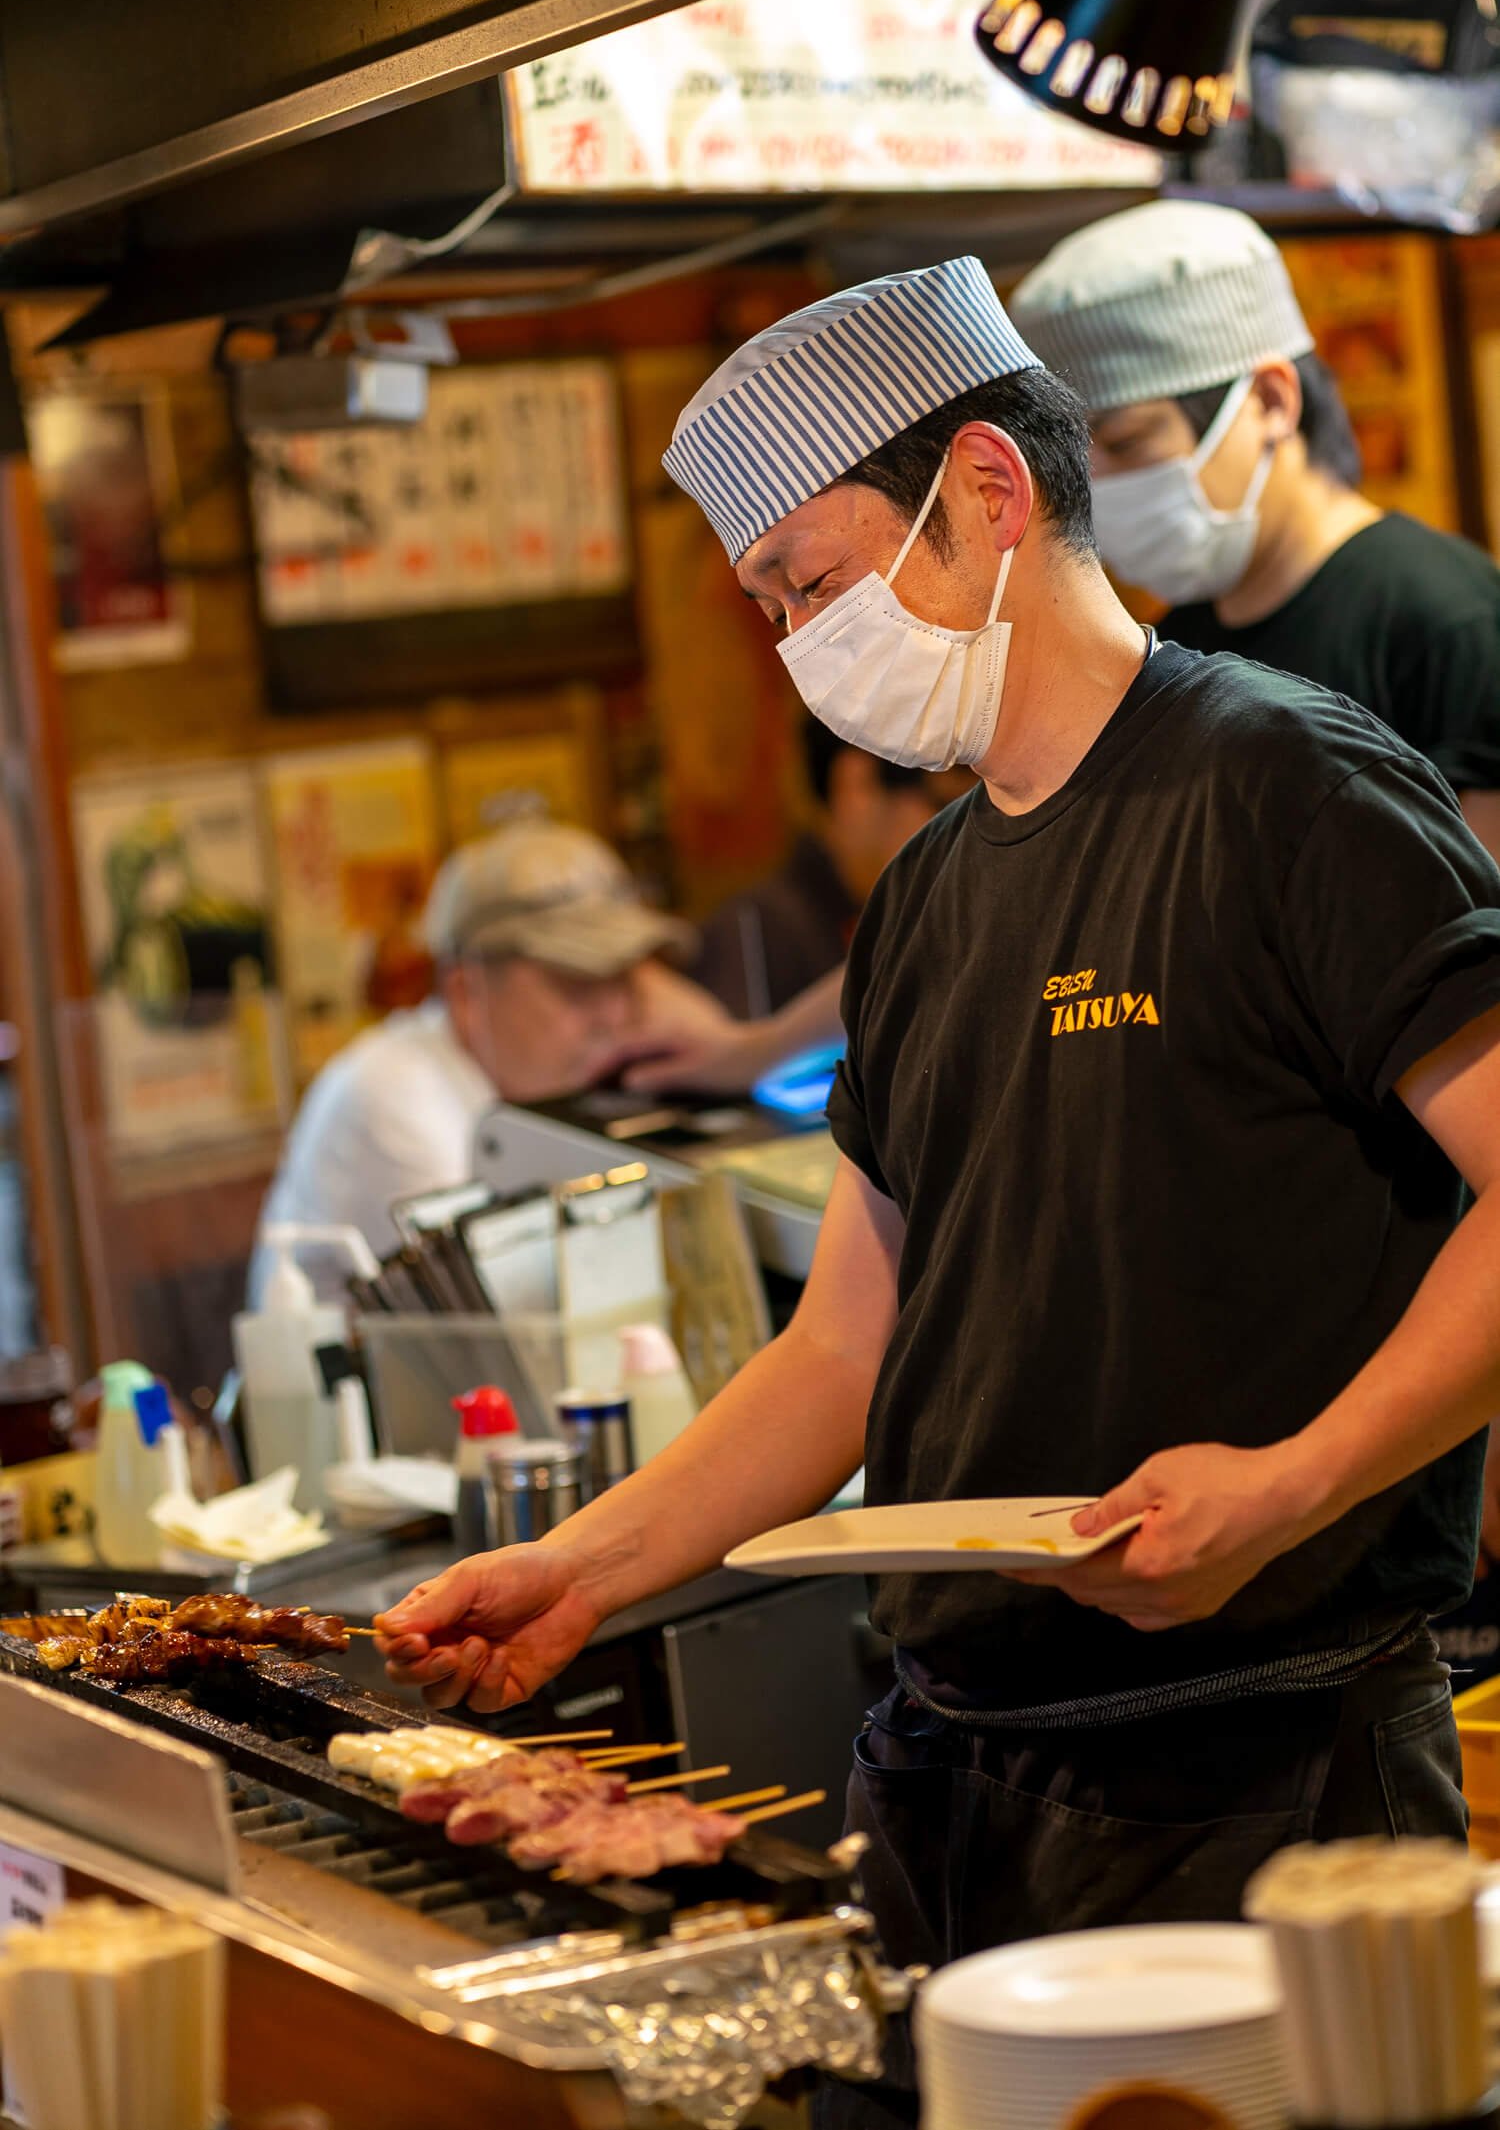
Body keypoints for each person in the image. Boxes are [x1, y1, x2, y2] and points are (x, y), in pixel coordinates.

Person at [374, 258, 1500, 2127]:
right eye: (772, 608)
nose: (801, 639)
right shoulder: (924, 901)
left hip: (1263, 1769)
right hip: (951, 1768)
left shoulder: (1289, 788)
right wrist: (584, 1568)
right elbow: (845, 1351)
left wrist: (1291, 1476)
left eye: (811, 583)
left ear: (985, 491)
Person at [1009, 200, 1500, 861]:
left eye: (1125, 443)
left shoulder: (1448, 622)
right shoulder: (1178, 653)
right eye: (1079, 464)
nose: (1102, 491)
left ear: (1271, 400)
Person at [249, 816, 729, 1299]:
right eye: (577, 984)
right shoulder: (390, 1094)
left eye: (626, 978)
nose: (616, 1014)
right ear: (466, 993)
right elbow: (521, 1317)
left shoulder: (553, 1077)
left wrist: (725, 1046)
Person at [694, 717, 951, 1019]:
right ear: (857, 785)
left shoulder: (875, 912)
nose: (947, 823)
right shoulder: (756, 931)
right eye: (938, 801)